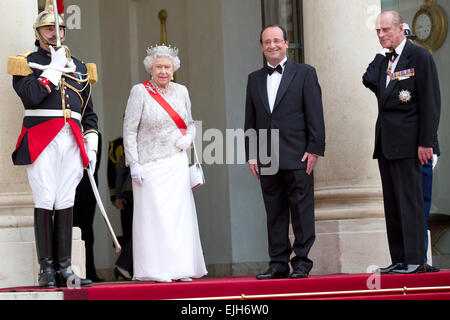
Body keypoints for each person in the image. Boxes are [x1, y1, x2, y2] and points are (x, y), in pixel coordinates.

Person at [9, 0, 98, 288]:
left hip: (71, 139)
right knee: (45, 198)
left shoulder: (81, 67)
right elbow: (32, 96)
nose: (54, 33)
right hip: (42, 137)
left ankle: (66, 269)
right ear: (37, 33)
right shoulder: (26, 62)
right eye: (48, 28)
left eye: (58, 28)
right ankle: (46, 270)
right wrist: (53, 70)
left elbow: (88, 112)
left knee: (66, 200)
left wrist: (92, 144)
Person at [244, 25, 326, 280]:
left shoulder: (305, 73)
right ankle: (278, 263)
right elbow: (251, 119)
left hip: (298, 154)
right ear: (261, 47)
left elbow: (315, 114)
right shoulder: (254, 79)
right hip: (267, 157)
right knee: (274, 213)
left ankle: (301, 262)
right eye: (267, 42)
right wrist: (252, 154)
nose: (272, 46)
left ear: (286, 43)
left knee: (301, 212)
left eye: (276, 41)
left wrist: (314, 149)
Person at [123, 44, 207, 282]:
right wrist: (134, 163)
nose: (163, 71)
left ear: (174, 69)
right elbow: (129, 130)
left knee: (178, 218)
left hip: (176, 163)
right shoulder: (140, 91)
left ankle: (180, 269)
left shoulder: (182, 91)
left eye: (167, 67)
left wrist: (190, 137)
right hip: (149, 165)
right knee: (154, 219)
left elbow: (190, 122)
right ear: (150, 68)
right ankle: (156, 270)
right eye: (158, 66)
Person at [363, 19, 441, 274]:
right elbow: (369, 80)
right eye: (378, 31)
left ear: (400, 30)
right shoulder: (385, 61)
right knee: (393, 205)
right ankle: (398, 258)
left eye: (386, 29)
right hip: (387, 144)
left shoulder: (419, 56)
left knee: (411, 203)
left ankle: (416, 259)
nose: (381, 34)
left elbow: (430, 101)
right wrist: (380, 55)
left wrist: (425, 142)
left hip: (411, 145)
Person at [73, 133, 104, 282]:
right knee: (70, 231)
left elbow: (93, 165)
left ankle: (89, 271)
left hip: (87, 192)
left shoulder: (96, 136)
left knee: (87, 233)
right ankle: (72, 271)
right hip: (70, 191)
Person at [113, 156, 134, 281]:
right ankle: (124, 265)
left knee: (130, 232)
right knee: (140, 231)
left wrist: (118, 195)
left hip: (128, 191)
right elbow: (121, 169)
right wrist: (117, 195)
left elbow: (121, 170)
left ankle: (129, 268)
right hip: (136, 192)